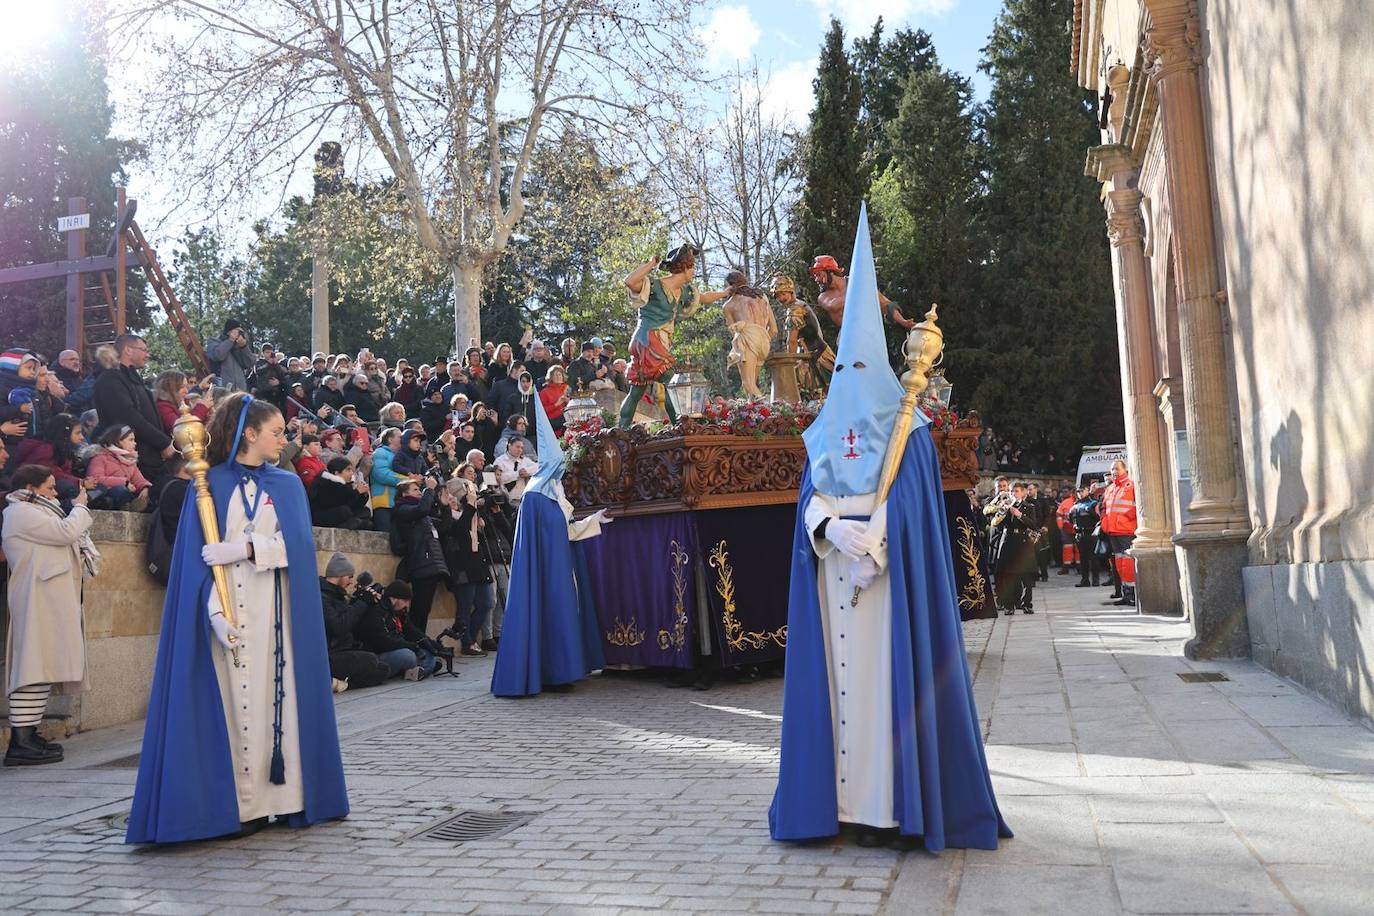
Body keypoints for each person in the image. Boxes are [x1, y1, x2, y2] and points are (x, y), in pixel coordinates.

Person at [770, 206, 1009, 851]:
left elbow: (913, 504)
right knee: (839, 692)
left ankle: (889, 809)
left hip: (885, 578)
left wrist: (874, 540)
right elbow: (807, 495)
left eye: (858, 365)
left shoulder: (914, 432)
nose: (848, 378)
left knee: (883, 688)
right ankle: (837, 806)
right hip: (831, 571)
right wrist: (827, 528)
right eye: (841, 367)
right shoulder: (821, 428)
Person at [127, 393, 349, 843]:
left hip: (276, 615)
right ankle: (238, 806)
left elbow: (300, 553)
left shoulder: (287, 485)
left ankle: (282, 801)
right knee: (229, 708)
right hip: (226, 619)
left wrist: (247, 549)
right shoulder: (209, 486)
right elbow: (196, 566)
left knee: (277, 701)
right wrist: (212, 614)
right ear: (250, 434)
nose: (282, 441)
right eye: (276, 433)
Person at [490, 387, 611, 697]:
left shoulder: (553, 492)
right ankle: (551, 672)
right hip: (547, 572)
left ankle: (563, 669)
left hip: (559, 567)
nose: (563, 472)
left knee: (563, 611)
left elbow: (565, 529)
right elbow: (554, 532)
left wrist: (593, 521)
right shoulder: (534, 496)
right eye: (559, 467)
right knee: (551, 611)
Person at [3, 465, 97, 766]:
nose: (55, 493)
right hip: (36, 597)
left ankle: (29, 735)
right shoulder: (19, 512)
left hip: (46, 596)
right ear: (31, 488)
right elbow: (65, 532)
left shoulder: (38, 511)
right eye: (50, 487)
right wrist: (80, 508)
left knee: (41, 667)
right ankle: (21, 742)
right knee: (32, 666)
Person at [617, 245, 731, 427]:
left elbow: (704, 297)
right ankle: (680, 427)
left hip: (652, 341)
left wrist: (725, 293)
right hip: (649, 340)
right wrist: (651, 264)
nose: (694, 271)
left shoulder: (683, 291)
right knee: (673, 385)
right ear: (685, 267)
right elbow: (630, 281)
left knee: (636, 391)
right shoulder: (654, 285)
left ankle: (622, 429)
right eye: (692, 267)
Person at [93, 334, 176, 485]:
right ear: (128, 350)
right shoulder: (110, 379)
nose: (147, 354)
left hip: (151, 456)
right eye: (143, 350)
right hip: (133, 459)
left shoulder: (133, 379)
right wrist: (163, 442)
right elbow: (128, 417)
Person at [437, 477, 494, 657]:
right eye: (449, 497)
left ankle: (470, 637)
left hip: (478, 564)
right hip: (461, 567)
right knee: (465, 605)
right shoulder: (446, 517)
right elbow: (457, 530)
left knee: (486, 603)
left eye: (455, 497)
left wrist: (477, 513)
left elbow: (484, 533)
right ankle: (467, 642)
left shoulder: (468, 514)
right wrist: (469, 508)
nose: (453, 500)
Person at [317, 554, 391, 691]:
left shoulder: (339, 596)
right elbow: (339, 627)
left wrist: (369, 604)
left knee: (383, 669)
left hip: (345, 650)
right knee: (371, 660)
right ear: (340, 575)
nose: (351, 582)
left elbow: (354, 625)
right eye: (350, 577)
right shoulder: (322, 598)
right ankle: (333, 681)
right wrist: (362, 603)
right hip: (329, 656)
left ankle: (341, 684)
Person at [390, 477, 449, 634]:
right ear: (404, 494)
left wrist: (445, 506)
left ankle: (420, 643)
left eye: (419, 489)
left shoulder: (423, 515)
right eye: (415, 490)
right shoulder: (402, 509)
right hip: (421, 564)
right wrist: (429, 489)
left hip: (432, 564)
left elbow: (444, 526)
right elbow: (421, 510)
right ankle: (416, 643)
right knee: (419, 609)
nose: (419, 493)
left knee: (424, 609)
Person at [352, 579, 442, 679]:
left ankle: (418, 670)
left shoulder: (398, 612)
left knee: (427, 653)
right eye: (405, 601)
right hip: (377, 654)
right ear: (394, 599)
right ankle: (422, 669)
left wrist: (429, 643)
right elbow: (383, 642)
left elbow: (412, 631)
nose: (407, 605)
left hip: (394, 649)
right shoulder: (377, 611)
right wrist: (412, 646)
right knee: (408, 655)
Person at [773, 274, 835, 399]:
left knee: (819, 392)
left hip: (814, 356)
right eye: (778, 295)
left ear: (791, 291)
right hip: (816, 351)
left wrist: (789, 363)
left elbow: (792, 341)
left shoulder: (795, 310)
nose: (781, 298)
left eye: (783, 293)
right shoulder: (800, 304)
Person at [722, 269, 778, 399]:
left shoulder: (729, 305)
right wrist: (761, 338)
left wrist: (749, 338)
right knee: (751, 387)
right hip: (764, 341)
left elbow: (733, 331)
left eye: (725, 286)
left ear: (730, 285)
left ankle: (769, 410)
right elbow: (774, 329)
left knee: (748, 383)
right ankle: (752, 414)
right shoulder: (762, 297)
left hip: (747, 340)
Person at [989, 481, 1039, 614]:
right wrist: (1002, 510)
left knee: (1027, 577)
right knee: (1009, 575)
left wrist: (1019, 515)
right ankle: (1009, 605)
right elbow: (993, 521)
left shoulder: (1029, 507)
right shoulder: (1006, 506)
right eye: (1011, 491)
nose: (1013, 494)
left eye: (1016, 491)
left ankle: (1027, 603)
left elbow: (1033, 525)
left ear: (1023, 492)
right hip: (1008, 541)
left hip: (1023, 542)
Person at [87, 425, 153, 511]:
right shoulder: (100, 457)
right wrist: (124, 482)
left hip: (126, 494)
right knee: (120, 490)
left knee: (148, 494)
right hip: (105, 494)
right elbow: (95, 479)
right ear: (118, 442)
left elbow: (139, 480)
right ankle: (127, 508)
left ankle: (131, 506)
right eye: (131, 440)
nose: (135, 443)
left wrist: (145, 488)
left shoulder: (130, 461)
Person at [1101, 459, 1138, 607]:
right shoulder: (1110, 489)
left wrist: (1127, 517)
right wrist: (1104, 521)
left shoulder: (1131, 486)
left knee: (1127, 563)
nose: (1114, 472)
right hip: (1113, 531)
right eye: (1112, 469)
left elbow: (1139, 505)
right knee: (1119, 564)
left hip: (1126, 530)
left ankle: (1132, 595)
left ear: (1125, 470)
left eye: (1117, 469)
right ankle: (1126, 594)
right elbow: (1103, 507)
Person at [310, 456, 372, 530]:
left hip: (342, 514)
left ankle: (354, 523)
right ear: (337, 472)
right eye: (348, 470)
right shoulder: (325, 482)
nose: (351, 473)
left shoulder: (345, 485)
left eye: (352, 470)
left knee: (365, 511)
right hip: (322, 516)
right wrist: (357, 491)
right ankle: (350, 524)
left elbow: (353, 504)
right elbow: (338, 502)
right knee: (344, 511)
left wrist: (363, 494)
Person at [368, 428, 408, 533]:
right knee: (384, 535)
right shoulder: (380, 452)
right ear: (390, 439)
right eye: (400, 437)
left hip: (398, 503)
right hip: (383, 502)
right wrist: (407, 480)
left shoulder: (402, 456)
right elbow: (381, 474)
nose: (403, 439)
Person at [205, 320, 256, 392]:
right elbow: (218, 355)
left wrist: (244, 347)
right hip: (222, 389)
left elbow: (250, 363)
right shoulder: (214, 342)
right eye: (237, 331)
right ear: (229, 332)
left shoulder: (239, 346)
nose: (239, 334)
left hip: (240, 390)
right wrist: (230, 340)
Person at [1069, 485, 1102, 587]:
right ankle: (1085, 580)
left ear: (1087, 491)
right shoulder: (1075, 505)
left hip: (1091, 533)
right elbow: (1071, 518)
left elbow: (1099, 518)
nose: (1080, 493)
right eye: (1078, 491)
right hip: (1080, 534)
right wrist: (1074, 524)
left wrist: (1090, 512)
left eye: (1082, 491)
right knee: (1083, 558)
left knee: (1094, 557)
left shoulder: (1093, 504)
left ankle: (1095, 580)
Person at [493, 436, 538, 507]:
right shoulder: (500, 461)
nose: (520, 450)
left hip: (522, 498)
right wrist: (517, 474)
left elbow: (537, 467)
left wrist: (527, 471)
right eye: (517, 447)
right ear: (509, 446)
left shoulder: (525, 460)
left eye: (521, 448)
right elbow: (497, 478)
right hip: (507, 499)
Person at [539, 365, 571, 435]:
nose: (558, 377)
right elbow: (542, 411)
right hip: (552, 423)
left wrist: (568, 401)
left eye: (559, 375)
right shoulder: (544, 392)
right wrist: (556, 404)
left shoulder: (566, 389)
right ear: (551, 377)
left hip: (565, 422)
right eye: (555, 375)